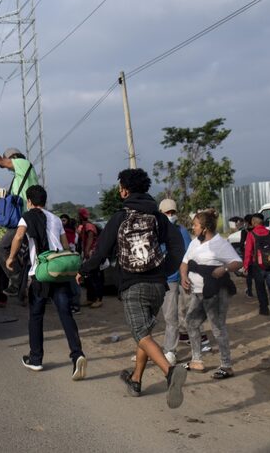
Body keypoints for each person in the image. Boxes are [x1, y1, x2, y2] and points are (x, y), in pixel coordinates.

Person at [78, 168, 187, 408]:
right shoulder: (158, 216)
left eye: (120, 187)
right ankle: (136, 380)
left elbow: (101, 251)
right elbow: (177, 246)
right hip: (158, 285)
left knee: (140, 334)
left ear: (125, 190)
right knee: (145, 334)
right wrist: (165, 269)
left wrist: (83, 271)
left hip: (132, 284)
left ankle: (170, 372)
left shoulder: (119, 217)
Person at [8, 185, 87, 380]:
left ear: (29, 201)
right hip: (58, 270)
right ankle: (77, 354)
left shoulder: (26, 216)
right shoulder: (56, 218)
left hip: (41, 272)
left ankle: (36, 358)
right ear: (45, 200)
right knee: (65, 313)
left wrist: (11, 257)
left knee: (36, 315)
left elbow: (18, 236)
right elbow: (66, 246)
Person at [180, 211, 242, 379]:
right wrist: (184, 277)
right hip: (198, 293)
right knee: (191, 322)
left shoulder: (220, 244)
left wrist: (224, 268)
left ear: (205, 228)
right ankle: (197, 361)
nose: (193, 228)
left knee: (217, 327)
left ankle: (226, 366)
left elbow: (237, 262)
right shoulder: (194, 243)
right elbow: (185, 262)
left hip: (216, 292)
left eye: (195, 225)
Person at [0, 133, 39, 297]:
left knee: (1, 248)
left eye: (9, 162)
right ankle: (23, 283)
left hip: (25, 219)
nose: (7, 166)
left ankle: (17, 280)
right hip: (22, 219)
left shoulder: (22, 163)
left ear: (13, 158)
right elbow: (14, 198)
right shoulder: (18, 178)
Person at [158, 198, 192, 367]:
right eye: (167, 213)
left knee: (183, 313)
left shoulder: (182, 231)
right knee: (169, 315)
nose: (170, 215)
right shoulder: (156, 233)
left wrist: (185, 275)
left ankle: (174, 348)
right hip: (166, 278)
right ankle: (165, 350)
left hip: (180, 278)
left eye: (173, 212)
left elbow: (188, 254)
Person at [243, 214, 270, 320]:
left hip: (258, 266)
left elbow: (248, 251)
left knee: (260, 288)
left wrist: (246, 266)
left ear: (254, 223)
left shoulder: (251, 235)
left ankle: (264, 308)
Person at [76, 208, 103, 308]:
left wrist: (87, 250)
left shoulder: (88, 225)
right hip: (88, 254)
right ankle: (90, 298)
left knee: (95, 277)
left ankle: (98, 299)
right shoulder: (84, 226)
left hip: (92, 253)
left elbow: (91, 237)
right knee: (88, 278)